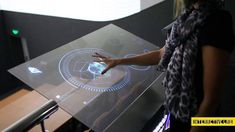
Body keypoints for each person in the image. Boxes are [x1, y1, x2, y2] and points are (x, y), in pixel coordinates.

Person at [92, 0, 235, 131]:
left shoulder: (218, 21)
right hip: (173, 110)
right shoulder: (188, 17)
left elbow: (211, 101)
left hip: (195, 118)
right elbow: (161, 54)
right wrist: (118, 61)